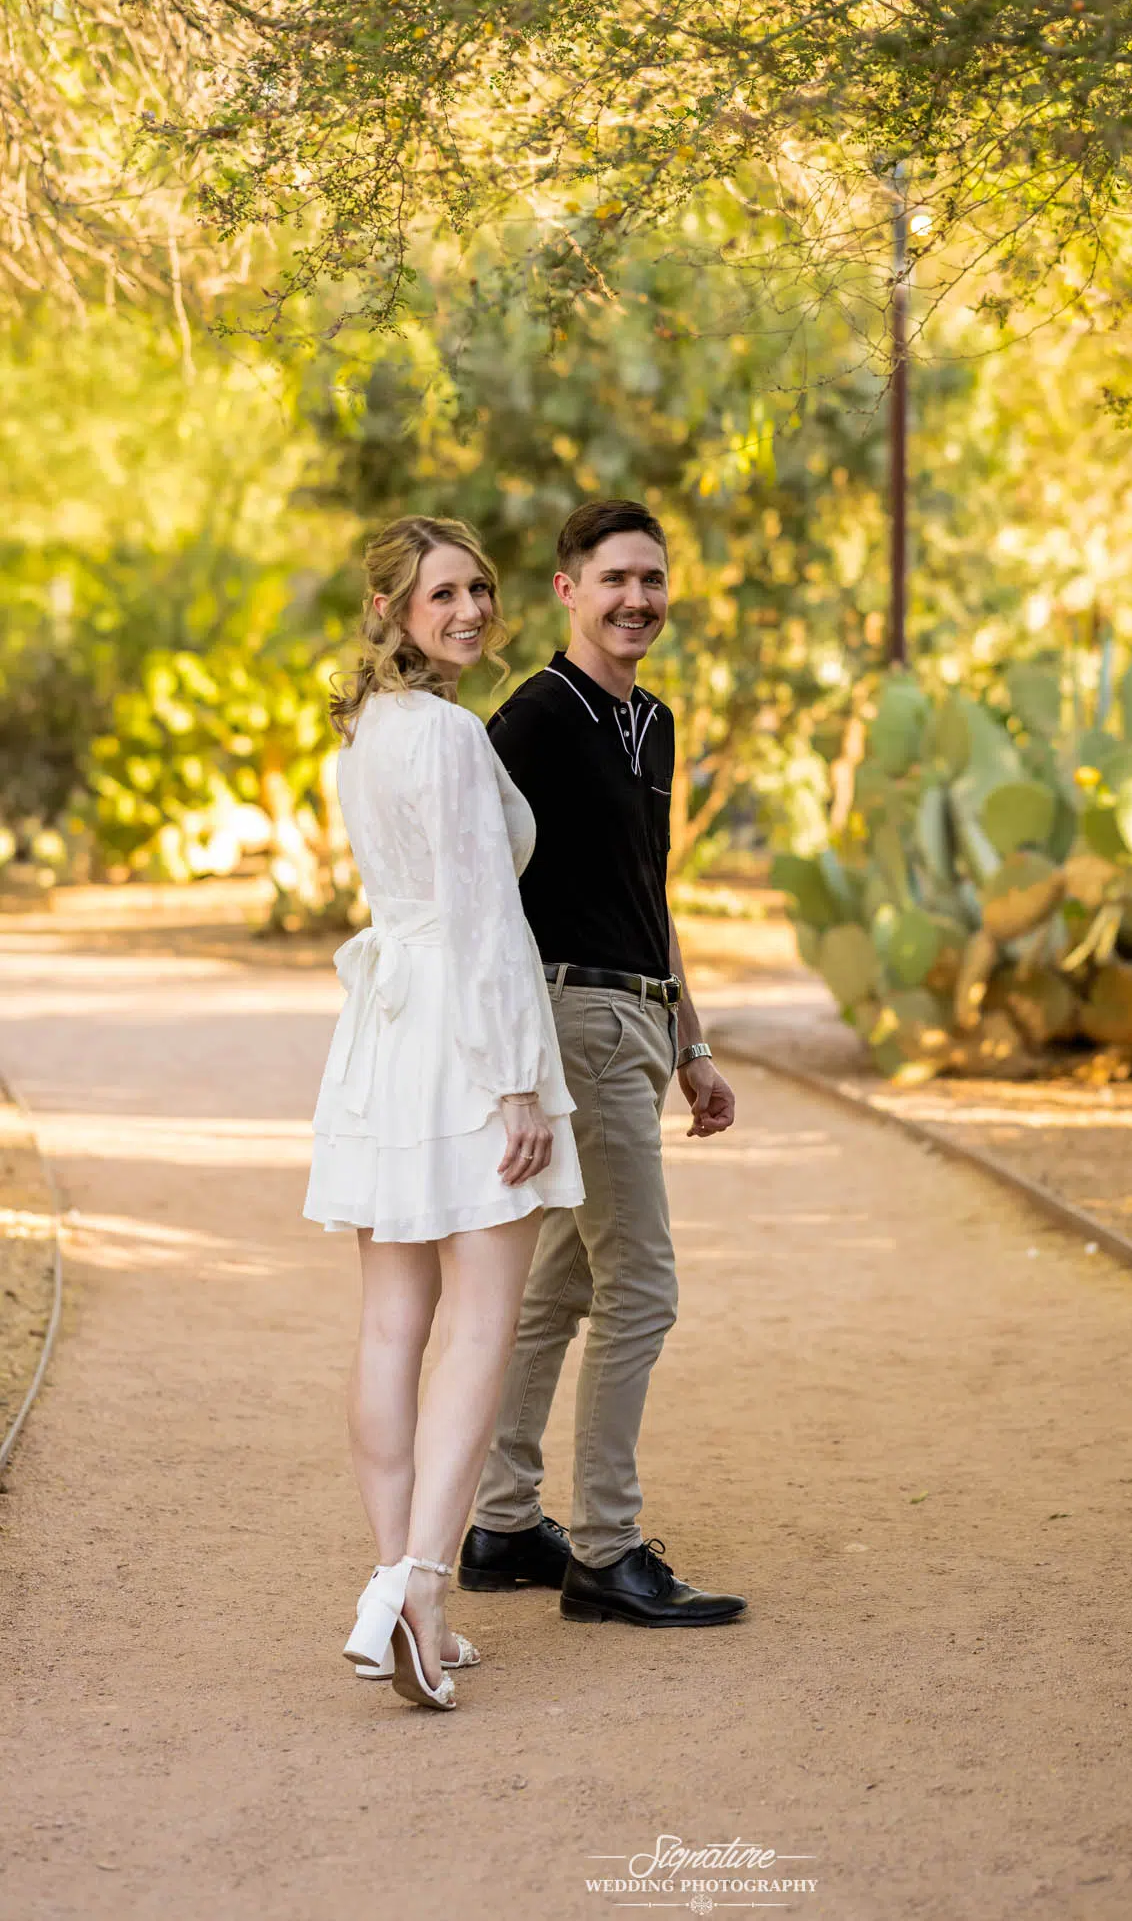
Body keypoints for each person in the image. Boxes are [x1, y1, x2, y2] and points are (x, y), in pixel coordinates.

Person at [304, 513, 584, 1710]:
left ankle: (395, 1585)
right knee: (476, 1328)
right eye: (443, 596)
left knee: (388, 1328)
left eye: (479, 588)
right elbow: (484, 923)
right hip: (466, 1045)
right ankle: (417, 1587)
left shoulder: (360, 735)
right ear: (392, 612)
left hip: (387, 1038)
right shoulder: (456, 737)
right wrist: (517, 1078)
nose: (470, 610)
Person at [459, 497, 746, 1627]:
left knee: (565, 1285)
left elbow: (652, 892)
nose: (637, 598)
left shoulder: (656, 722)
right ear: (568, 590)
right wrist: (510, 1056)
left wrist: (694, 1043)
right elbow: (482, 896)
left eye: (653, 580)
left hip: (637, 1018)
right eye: (615, 578)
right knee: (643, 1286)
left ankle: (500, 1520)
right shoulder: (529, 719)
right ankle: (608, 1549)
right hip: (570, 1018)